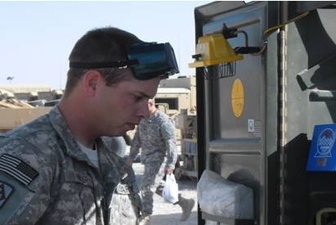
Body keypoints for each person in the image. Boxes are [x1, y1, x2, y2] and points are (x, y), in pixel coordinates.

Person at [0, 26, 179, 225]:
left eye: (148, 100)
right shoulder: (26, 157)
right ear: (93, 83)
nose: (145, 112)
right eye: (137, 97)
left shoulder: (114, 159)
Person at [127, 99, 195, 224]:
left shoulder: (163, 121)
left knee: (147, 187)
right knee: (156, 186)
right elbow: (137, 140)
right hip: (147, 159)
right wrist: (131, 157)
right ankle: (185, 203)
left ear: (151, 104)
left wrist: (171, 163)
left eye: (142, 107)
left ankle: (146, 216)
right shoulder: (143, 119)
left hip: (159, 159)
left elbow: (171, 144)